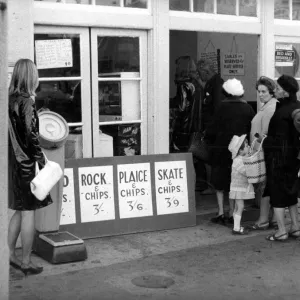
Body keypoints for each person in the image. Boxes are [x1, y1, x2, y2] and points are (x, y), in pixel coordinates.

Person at [8, 59, 53, 275]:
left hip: (14, 163)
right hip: (26, 163)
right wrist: (42, 161)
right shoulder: (26, 100)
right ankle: (25, 261)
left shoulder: (9, 99)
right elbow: (29, 134)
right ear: (30, 76)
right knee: (28, 213)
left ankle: (10, 255)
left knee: (18, 211)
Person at [205, 78, 255, 225]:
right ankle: (233, 213)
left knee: (219, 183)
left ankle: (221, 212)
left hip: (221, 149)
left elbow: (211, 130)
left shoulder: (220, 107)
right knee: (235, 183)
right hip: (239, 150)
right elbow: (251, 130)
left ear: (225, 93)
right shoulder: (248, 108)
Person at [257, 74, 300, 241]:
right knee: (291, 193)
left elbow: (279, 140)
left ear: (286, 92)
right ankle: (295, 227)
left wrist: (264, 139)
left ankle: (281, 231)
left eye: (279, 88)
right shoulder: (297, 106)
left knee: (277, 194)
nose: (276, 90)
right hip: (294, 159)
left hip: (279, 159)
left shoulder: (281, 112)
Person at [248, 76, 278, 230]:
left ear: (271, 92)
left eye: (264, 91)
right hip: (261, 150)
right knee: (266, 185)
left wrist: (256, 141)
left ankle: (264, 218)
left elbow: (266, 134)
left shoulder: (270, 108)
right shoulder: (267, 106)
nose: (260, 94)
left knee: (265, 185)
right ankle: (270, 218)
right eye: (259, 91)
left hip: (264, 152)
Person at [228, 135, 255, 235]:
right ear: (240, 150)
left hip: (237, 188)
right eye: (246, 146)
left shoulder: (239, 159)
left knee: (237, 207)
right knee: (240, 207)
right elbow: (246, 171)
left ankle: (236, 226)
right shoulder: (238, 161)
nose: (248, 147)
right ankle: (236, 228)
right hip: (238, 188)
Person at [197, 58, 224, 131]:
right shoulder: (211, 83)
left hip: (213, 128)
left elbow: (218, 109)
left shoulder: (217, 84)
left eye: (199, 73)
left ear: (206, 72)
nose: (199, 76)